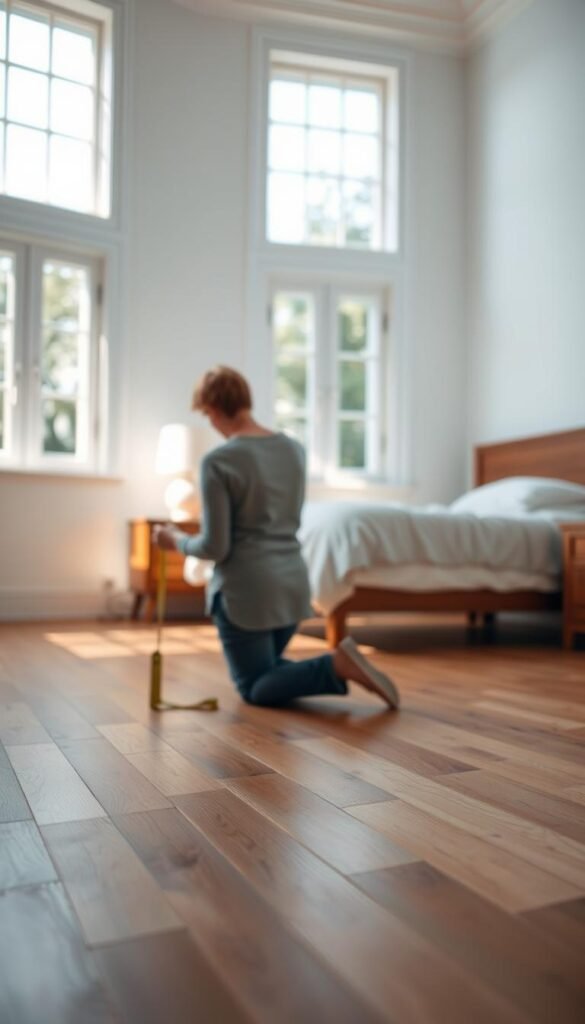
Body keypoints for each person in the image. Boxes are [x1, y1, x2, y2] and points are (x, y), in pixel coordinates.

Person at [154, 366, 400, 710]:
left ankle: (336, 665)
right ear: (245, 401)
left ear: (211, 409)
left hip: (247, 598)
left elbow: (215, 546)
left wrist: (175, 540)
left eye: (207, 415)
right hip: (294, 588)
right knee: (267, 670)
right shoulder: (294, 451)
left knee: (254, 686)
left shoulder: (217, 461)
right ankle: (340, 664)